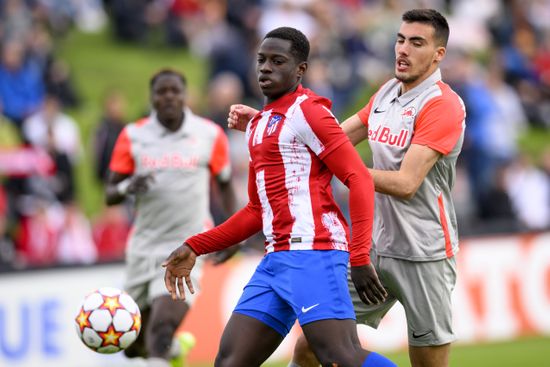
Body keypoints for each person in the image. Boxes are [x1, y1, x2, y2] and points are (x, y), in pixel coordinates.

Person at [228, 9, 466, 367]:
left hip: (423, 254)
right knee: (311, 347)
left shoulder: (443, 105)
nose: (403, 49)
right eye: (400, 39)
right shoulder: (386, 93)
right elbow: (327, 140)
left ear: (438, 54)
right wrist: (266, 123)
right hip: (372, 250)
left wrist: (350, 171)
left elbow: (405, 184)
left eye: (417, 43)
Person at [163, 27, 396, 367]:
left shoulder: (311, 112)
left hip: (315, 253)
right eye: (261, 60)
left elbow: (358, 178)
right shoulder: (259, 125)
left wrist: (359, 256)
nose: (266, 68)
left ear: (300, 69)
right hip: (275, 261)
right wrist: (196, 245)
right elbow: (257, 212)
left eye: (277, 61)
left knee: (339, 356)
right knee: (229, 362)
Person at [105, 68, 240, 367]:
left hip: (188, 246)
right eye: (161, 92)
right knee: (131, 343)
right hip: (143, 246)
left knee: (161, 329)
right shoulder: (134, 135)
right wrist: (129, 186)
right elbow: (110, 193)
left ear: (184, 94)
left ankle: (168, 345)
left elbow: (226, 184)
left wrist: (234, 232)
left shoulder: (208, 134)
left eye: (174, 91)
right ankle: (177, 349)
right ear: (151, 97)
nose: (168, 97)